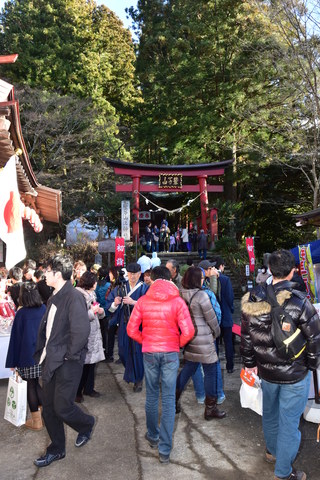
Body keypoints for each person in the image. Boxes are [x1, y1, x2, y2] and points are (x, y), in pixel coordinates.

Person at [241, 249, 320, 480]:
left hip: (266, 371)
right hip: (295, 374)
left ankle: (272, 452)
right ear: (293, 271)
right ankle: (284, 472)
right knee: (289, 422)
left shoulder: (253, 298)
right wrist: (311, 365)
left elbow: (246, 338)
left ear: (269, 270)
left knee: (271, 414)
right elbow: (315, 339)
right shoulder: (299, 302)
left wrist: (249, 363)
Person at [127, 266, 195, 464]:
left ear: (153, 279)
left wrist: (145, 340)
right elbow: (188, 332)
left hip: (149, 352)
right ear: (169, 280)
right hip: (171, 353)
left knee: (151, 395)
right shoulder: (178, 301)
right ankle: (165, 450)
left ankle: (153, 436)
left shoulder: (143, 301)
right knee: (167, 400)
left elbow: (132, 330)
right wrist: (176, 344)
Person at [33, 255, 95, 468]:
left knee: (62, 407)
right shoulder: (55, 295)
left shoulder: (73, 296)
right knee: (48, 409)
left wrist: (69, 355)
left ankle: (87, 424)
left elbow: (81, 331)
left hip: (67, 361)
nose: (45, 274)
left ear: (57, 274)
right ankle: (57, 449)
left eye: (48, 271)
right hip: (51, 360)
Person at [176, 267, 226, 420]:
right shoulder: (202, 295)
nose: (204, 280)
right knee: (210, 372)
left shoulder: (180, 294)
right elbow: (212, 319)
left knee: (186, 371)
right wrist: (216, 334)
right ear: (197, 279)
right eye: (202, 278)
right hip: (204, 341)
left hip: (189, 339)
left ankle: (172, 400)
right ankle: (210, 408)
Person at [6, 282, 46, 430]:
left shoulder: (21, 313)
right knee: (36, 384)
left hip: (26, 356)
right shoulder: (43, 308)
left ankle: (37, 421)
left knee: (31, 385)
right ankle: (44, 416)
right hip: (42, 355)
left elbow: (15, 340)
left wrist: (12, 361)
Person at [105, 262, 149, 392]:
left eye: (135, 274)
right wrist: (115, 303)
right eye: (130, 274)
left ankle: (138, 379)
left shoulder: (144, 288)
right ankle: (133, 374)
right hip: (124, 324)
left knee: (137, 352)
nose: (132, 276)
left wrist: (134, 302)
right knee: (123, 352)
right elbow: (110, 308)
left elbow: (149, 305)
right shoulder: (120, 288)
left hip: (139, 325)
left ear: (140, 274)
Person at [76, 271, 105, 402]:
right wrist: (92, 312)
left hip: (94, 331)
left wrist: (100, 311)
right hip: (85, 333)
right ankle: (78, 391)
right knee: (83, 365)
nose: (96, 283)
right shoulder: (78, 295)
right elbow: (79, 316)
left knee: (92, 364)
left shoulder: (91, 293)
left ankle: (89, 388)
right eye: (95, 281)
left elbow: (94, 311)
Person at [212, 256, 235, 374]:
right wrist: (231, 309)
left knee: (215, 342)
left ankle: (215, 365)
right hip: (225, 314)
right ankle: (230, 366)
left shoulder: (209, 280)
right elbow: (230, 298)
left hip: (214, 316)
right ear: (221, 266)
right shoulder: (225, 279)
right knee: (228, 342)